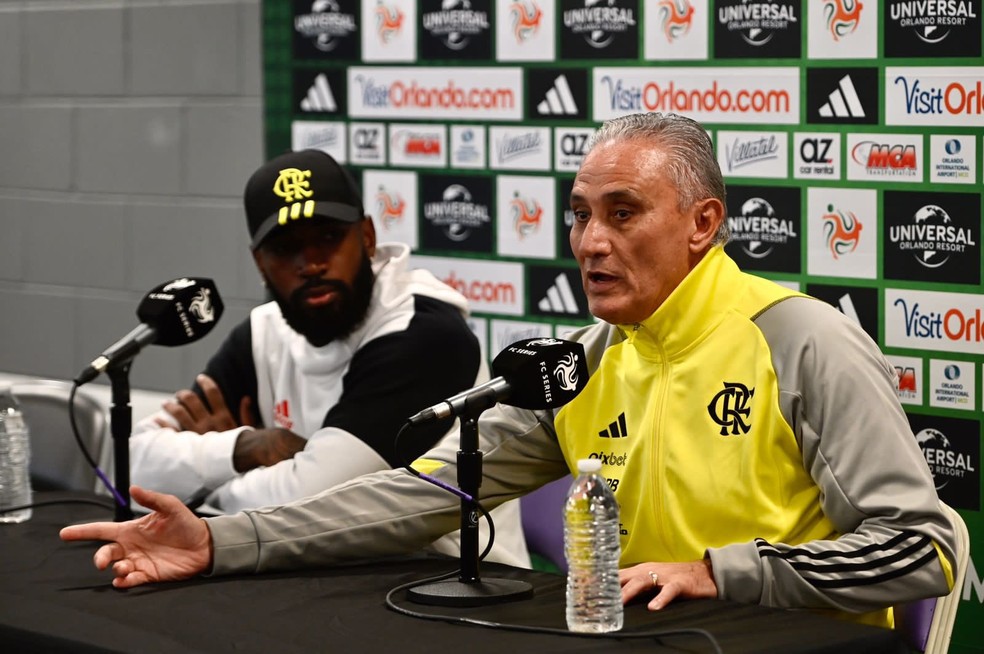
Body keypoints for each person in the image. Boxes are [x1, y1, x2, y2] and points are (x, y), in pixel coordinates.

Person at [62, 113, 956, 628]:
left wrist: (726, 570)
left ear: (702, 223)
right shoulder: (583, 363)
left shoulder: (801, 341)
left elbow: (923, 547)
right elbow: (417, 494)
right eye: (577, 216)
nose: (591, 242)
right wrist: (222, 542)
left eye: (622, 212)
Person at [122, 148, 529, 566]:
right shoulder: (263, 334)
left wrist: (195, 494)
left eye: (329, 238)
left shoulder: (425, 335)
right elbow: (128, 466)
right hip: (314, 582)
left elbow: (315, 506)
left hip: (456, 589)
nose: (311, 263)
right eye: (285, 248)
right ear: (259, 263)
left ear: (367, 237)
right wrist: (242, 448)